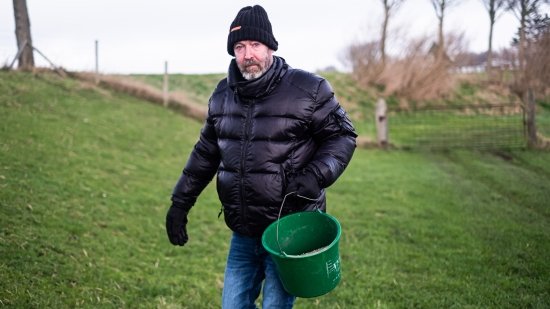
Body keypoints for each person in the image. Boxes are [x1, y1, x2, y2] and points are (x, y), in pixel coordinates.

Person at [165, 4, 357, 308]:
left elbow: (342, 136)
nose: (248, 54)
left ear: (270, 46)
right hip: (243, 231)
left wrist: (316, 175)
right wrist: (180, 203)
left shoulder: (309, 89)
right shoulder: (221, 95)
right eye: (239, 47)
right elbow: (205, 153)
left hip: (289, 230)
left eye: (255, 44)